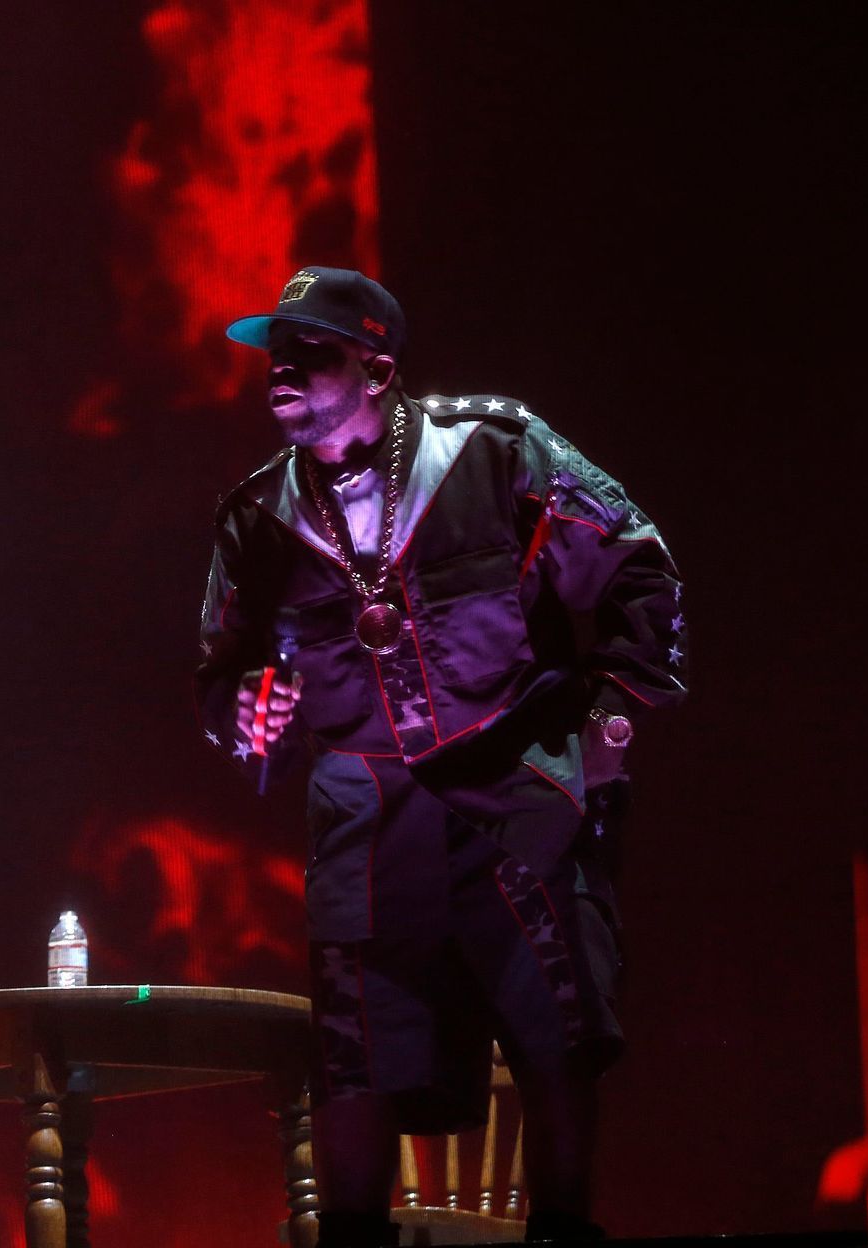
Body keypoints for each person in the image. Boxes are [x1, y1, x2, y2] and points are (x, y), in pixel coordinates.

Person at [196, 267, 686, 1245]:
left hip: (512, 780)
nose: (280, 370)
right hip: (365, 810)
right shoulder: (255, 520)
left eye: (311, 353)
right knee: (355, 1055)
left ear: (377, 370)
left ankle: (560, 1231)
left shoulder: (493, 447)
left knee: (558, 1035)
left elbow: (636, 556)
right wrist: (253, 710)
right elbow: (222, 680)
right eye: (273, 355)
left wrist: (609, 724)